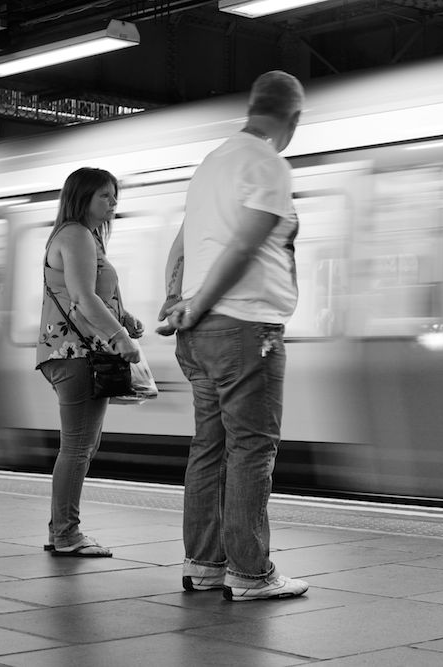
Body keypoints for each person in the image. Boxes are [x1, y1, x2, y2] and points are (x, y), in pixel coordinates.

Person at [158, 71, 308, 601]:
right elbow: (245, 246)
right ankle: (250, 572)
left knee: (209, 447)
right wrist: (197, 303)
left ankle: (204, 565)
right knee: (251, 449)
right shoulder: (267, 162)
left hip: (198, 334)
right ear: (292, 118)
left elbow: (181, 245)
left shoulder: (213, 162)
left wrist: (176, 301)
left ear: (252, 107)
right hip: (246, 328)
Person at [36, 167, 143, 557]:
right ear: (82, 197)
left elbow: (84, 292)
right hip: (76, 352)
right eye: (105, 196)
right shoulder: (77, 234)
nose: (113, 203)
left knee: (82, 444)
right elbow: (82, 296)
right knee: (79, 446)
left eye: (115, 196)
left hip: (72, 351)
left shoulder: (84, 236)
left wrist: (124, 316)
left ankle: (61, 531)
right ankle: (66, 534)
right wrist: (120, 337)